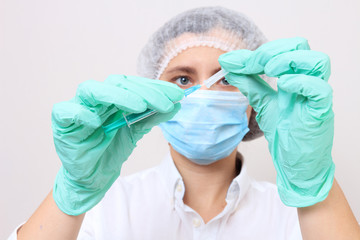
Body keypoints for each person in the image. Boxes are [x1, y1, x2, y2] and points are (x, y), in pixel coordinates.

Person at [10, 6, 360, 240]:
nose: (204, 94)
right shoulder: (105, 209)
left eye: (225, 79)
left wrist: (313, 185)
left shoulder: (298, 215)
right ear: (151, 95)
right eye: (182, 79)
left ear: (254, 103)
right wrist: (74, 192)